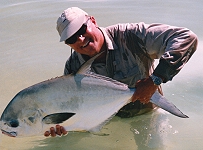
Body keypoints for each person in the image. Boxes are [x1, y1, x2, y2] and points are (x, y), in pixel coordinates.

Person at [44, 7, 198, 137]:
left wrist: (155, 79)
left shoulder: (131, 36)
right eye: (71, 39)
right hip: (108, 121)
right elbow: (73, 107)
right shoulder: (73, 67)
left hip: (147, 115)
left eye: (82, 29)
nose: (80, 39)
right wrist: (64, 126)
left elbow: (186, 38)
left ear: (93, 21)